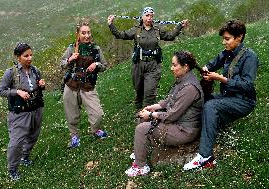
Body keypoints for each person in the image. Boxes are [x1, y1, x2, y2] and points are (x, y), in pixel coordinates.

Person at [183, 19, 259, 171]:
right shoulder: (228, 53)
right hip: (229, 97)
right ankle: (203, 130)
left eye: (227, 39)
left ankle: (205, 157)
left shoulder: (250, 57)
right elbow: (213, 63)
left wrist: (220, 78)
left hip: (244, 101)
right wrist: (206, 68)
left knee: (211, 106)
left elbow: (247, 85)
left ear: (240, 37)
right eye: (223, 39)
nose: (224, 42)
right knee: (206, 100)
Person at [125, 51, 204, 176]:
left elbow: (172, 115)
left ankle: (140, 167)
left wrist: (151, 115)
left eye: (174, 65)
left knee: (141, 129)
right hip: (177, 123)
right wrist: (152, 107)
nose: (171, 68)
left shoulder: (190, 88)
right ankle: (140, 150)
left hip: (185, 130)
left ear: (185, 66)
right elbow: (169, 101)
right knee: (142, 119)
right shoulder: (183, 80)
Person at [107, 7, 189, 110]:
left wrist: (179, 26)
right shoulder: (136, 30)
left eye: (151, 16)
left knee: (149, 93)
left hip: (153, 66)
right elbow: (120, 35)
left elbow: (170, 36)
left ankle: (147, 117)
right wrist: (111, 25)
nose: (149, 18)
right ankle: (139, 113)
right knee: (139, 91)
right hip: (138, 65)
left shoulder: (157, 30)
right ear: (142, 16)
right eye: (147, 15)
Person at [0, 43, 45, 181]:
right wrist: (17, 92)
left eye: (31, 55)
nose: (30, 58)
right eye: (26, 56)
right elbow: (0, 90)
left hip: (36, 109)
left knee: (33, 135)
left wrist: (42, 85)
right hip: (19, 113)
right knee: (16, 141)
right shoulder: (10, 73)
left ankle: (25, 157)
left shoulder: (35, 70)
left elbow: (38, 88)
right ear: (18, 57)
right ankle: (12, 170)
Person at [60, 22, 108, 148]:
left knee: (97, 114)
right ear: (78, 34)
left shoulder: (96, 49)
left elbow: (104, 65)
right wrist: (70, 60)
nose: (87, 36)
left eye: (88, 33)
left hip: (88, 86)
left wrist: (96, 65)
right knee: (72, 114)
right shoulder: (71, 48)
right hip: (71, 85)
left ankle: (95, 130)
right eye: (83, 33)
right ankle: (74, 136)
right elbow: (62, 64)